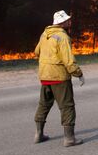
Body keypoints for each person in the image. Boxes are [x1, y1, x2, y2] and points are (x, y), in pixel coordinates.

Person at [34, 10, 85, 147]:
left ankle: (38, 134)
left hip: (45, 75)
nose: (70, 22)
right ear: (61, 23)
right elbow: (68, 60)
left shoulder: (45, 34)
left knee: (44, 104)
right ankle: (69, 139)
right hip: (59, 77)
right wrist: (78, 73)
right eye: (68, 20)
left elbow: (36, 52)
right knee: (67, 106)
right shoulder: (63, 37)